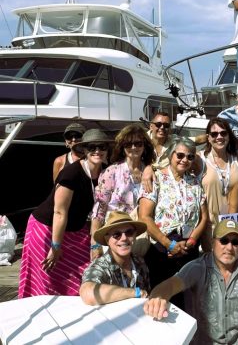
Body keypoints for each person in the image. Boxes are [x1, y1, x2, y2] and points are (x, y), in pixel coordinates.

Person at [144, 219, 238, 345]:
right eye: (223, 241)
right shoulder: (198, 267)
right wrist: (158, 297)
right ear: (213, 243)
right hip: (206, 341)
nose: (229, 247)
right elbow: (170, 285)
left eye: (235, 242)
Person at [19, 129, 112, 297]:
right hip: (48, 228)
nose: (97, 151)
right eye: (92, 147)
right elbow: (59, 212)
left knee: (86, 272)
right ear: (84, 150)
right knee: (47, 279)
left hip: (76, 230)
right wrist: (55, 246)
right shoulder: (71, 173)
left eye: (102, 147)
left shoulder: (106, 173)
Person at [138, 137, 208, 289]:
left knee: (187, 294)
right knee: (161, 294)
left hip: (188, 248)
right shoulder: (156, 178)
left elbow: (204, 217)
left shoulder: (195, 182)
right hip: (161, 248)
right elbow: (144, 217)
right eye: (180, 155)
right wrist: (168, 244)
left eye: (190, 157)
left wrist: (191, 242)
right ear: (171, 155)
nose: (185, 160)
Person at [90, 124, 155, 259]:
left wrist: (151, 167)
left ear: (145, 146)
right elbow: (99, 209)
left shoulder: (151, 172)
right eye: (128, 144)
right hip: (115, 235)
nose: (133, 147)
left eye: (138, 143)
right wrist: (95, 244)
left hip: (140, 238)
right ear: (122, 147)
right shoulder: (112, 172)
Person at [80, 211, 150, 305]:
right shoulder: (100, 266)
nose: (124, 238)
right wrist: (135, 292)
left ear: (135, 235)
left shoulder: (139, 262)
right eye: (116, 234)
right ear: (107, 240)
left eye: (129, 232)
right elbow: (88, 293)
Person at [198, 117, 238, 251]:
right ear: (208, 138)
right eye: (214, 134)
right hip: (210, 227)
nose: (219, 137)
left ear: (229, 136)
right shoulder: (199, 159)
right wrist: (149, 169)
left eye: (223, 133)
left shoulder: (237, 158)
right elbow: (178, 150)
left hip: (234, 225)